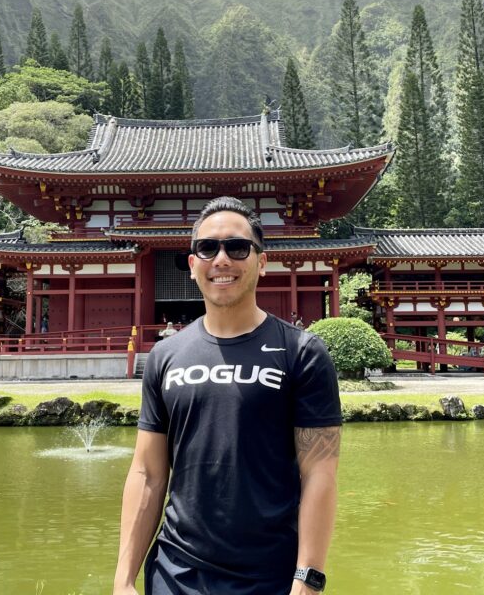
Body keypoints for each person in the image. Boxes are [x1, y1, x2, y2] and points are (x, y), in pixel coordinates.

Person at [114, 197, 341, 595]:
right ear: (192, 265)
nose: (222, 259)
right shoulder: (165, 356)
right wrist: (123, 579)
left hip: (269, 576)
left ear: (262, 262)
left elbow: (319, 474)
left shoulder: (302, 352)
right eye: (207, 248)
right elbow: (148, 474)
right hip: (173, 573)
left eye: (237, 247)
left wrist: (308, 579)